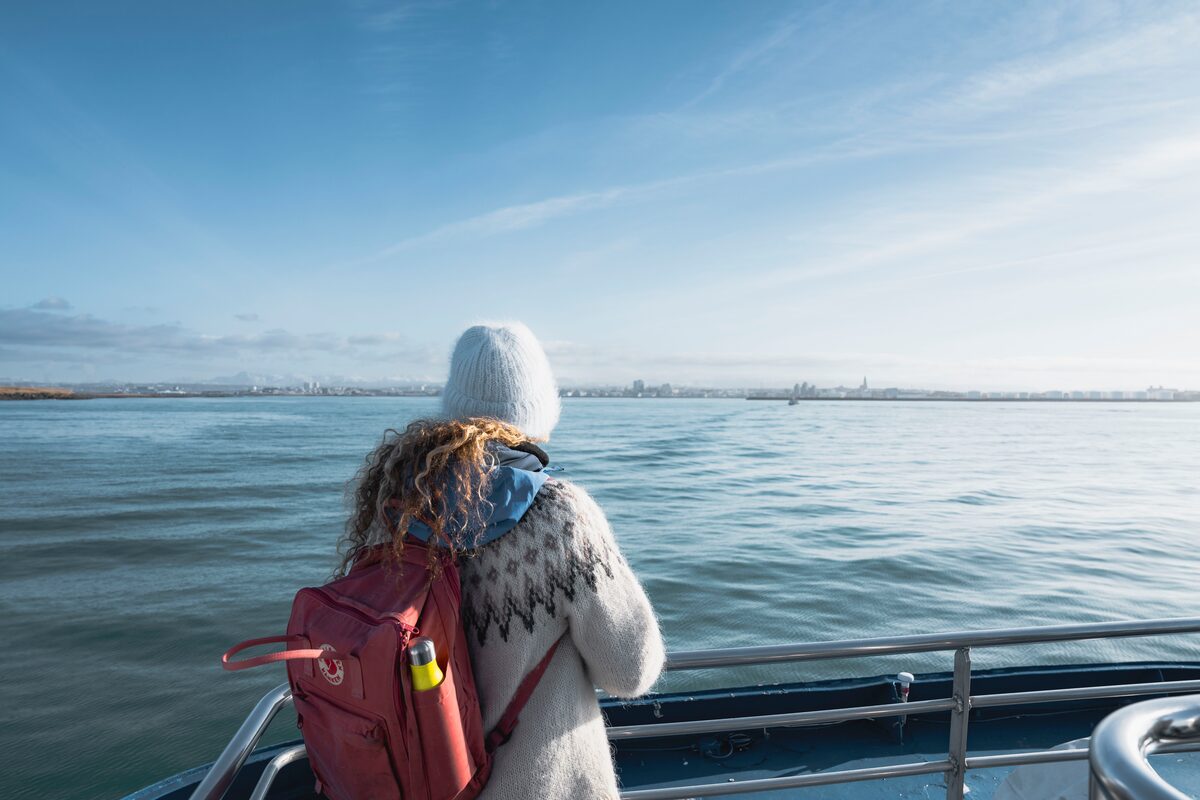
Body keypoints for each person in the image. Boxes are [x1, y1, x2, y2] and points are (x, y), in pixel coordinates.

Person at [338, 322, 666, 800]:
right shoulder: (558, 515)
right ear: (538, 408)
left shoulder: (397, 508)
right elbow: (630, 669)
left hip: (425, 782)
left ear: (451, 407)